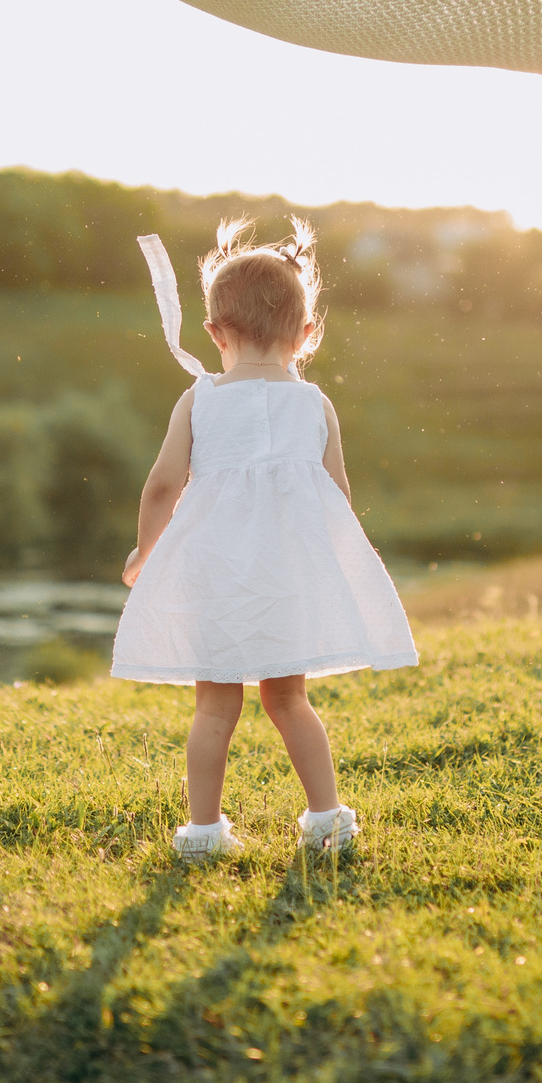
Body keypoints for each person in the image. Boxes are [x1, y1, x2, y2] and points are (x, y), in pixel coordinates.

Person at [111, 220, 418, 861]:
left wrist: (147, 552)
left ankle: (201, 834)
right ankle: (327, 818)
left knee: (214, 708)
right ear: (307, 334)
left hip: (213, 572)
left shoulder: (198, 400)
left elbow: (162, 487)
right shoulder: (315, 404)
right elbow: (336, 498)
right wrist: (343, 564)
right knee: (290, 698)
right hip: (286, 574)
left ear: (216, 333)